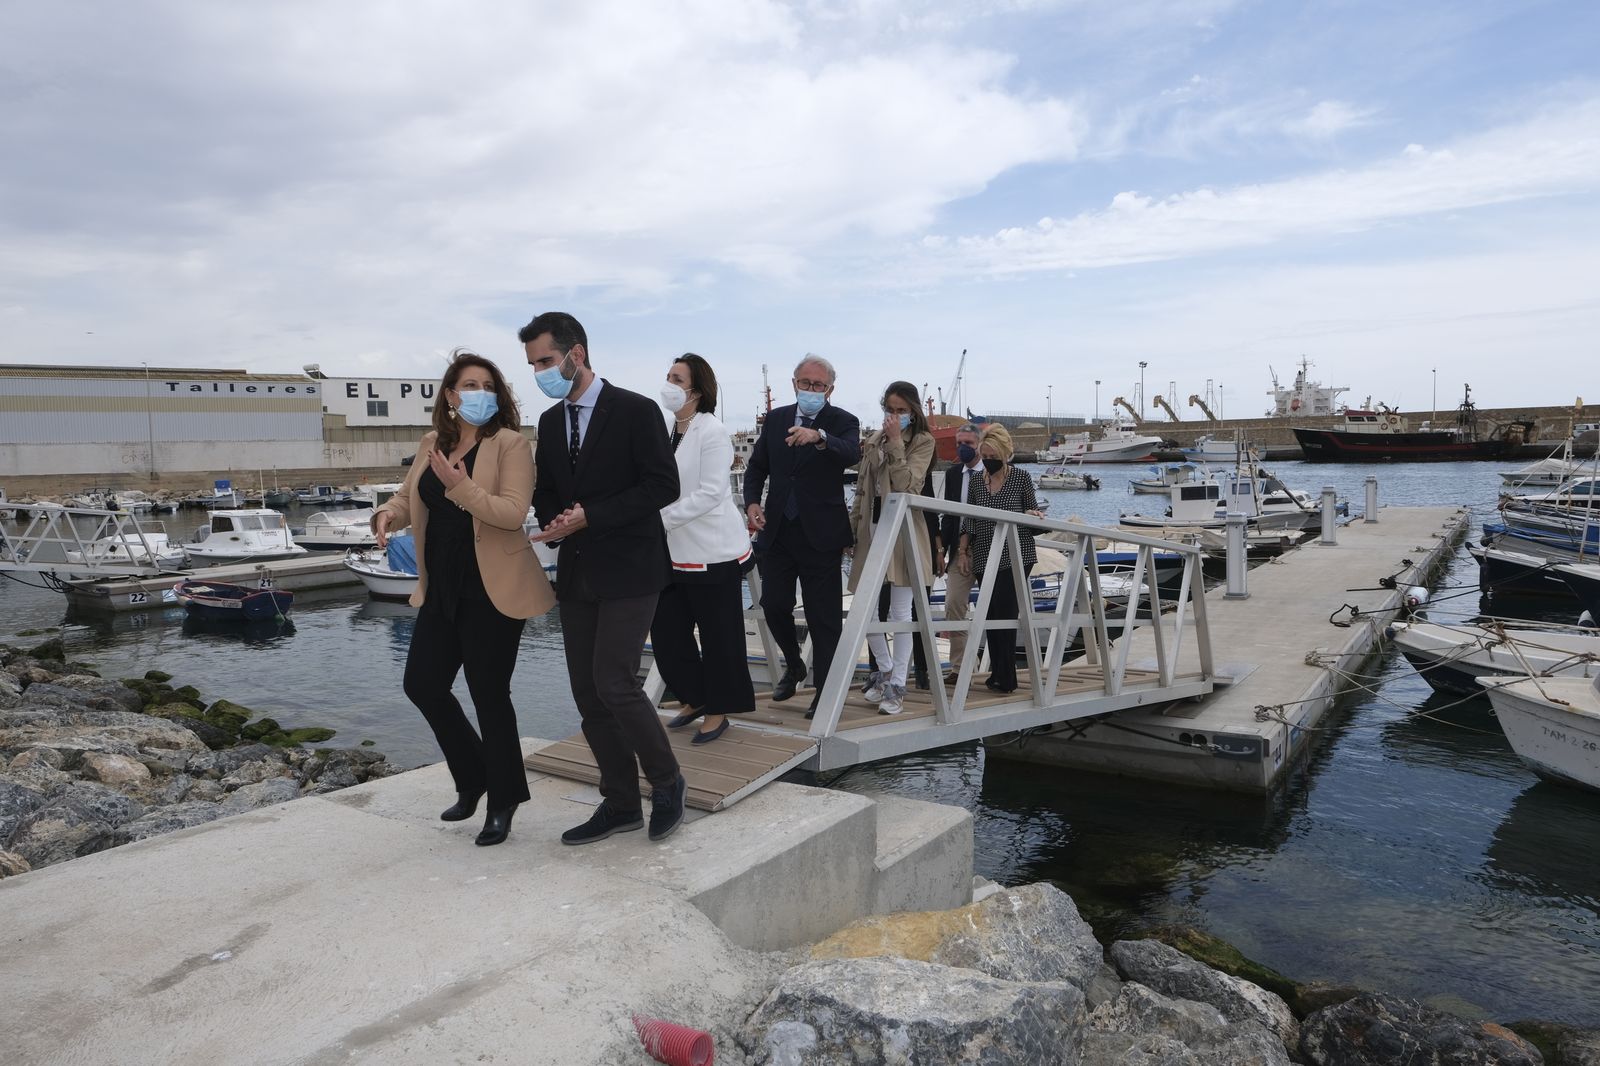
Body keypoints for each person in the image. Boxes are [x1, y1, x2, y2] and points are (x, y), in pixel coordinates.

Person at [373, 351, 553, 847]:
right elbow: (411, 497)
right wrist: (388, 514)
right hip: (443, 587)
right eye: (468, 385)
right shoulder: (432, 441)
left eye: (487, 385)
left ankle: (503, 801)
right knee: (423, 685)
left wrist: (461, 486)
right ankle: (475, 776)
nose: (479, 393)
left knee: (489, 695)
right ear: (451, 396)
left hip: (493, 589)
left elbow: (512, 513)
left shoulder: (512, 444)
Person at [523, 312, 687, 845]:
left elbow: (663, 485)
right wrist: (554, 521)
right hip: (576, 569)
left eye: (546, 360)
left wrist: (592, 514)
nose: (540, 372)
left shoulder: (636, 411)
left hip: (632, 566)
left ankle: (667, 783)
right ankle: (619, 802)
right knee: (587, 693)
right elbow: (546, 489)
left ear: (578, 352)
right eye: (533, 365)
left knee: (615, 682)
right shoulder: (549, 423)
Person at [742, 355, 861, 718]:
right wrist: (751, 503)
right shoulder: (776, 420)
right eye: (805, 383)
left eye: (818, 386)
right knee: (773, 604)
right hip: (777, 530)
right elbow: (758, 466)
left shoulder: (843, 421)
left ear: (830, 390)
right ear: (794, 384)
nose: (811, 390)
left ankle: (824, 694)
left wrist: (820, 437)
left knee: (823, 617)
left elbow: (851, 452)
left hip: (821, 535)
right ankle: (794, 665)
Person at [652, 353, 757, 744]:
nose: (669, 384)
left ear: (696, 390)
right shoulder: (667, 428)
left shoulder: (712, 432)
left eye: (677, 379)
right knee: (667, 633)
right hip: (672, 552)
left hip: (712, 552)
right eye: (668, 376)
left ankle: (719, 709)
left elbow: (712, 493)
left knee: (719, 637)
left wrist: (656, 521)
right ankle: (694, 696)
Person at [848, 381, 935, 714]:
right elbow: (860, 490)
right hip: (871, 533)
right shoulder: (872, 441)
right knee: (864, 610)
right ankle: (885, 670)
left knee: (900, 612)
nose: (894, 416)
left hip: (903, 535)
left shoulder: (922, 442)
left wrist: (897, 444)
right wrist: (853, 529)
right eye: (890, 409)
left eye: (901, 410)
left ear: (912, 411)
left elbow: (907, 484)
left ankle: (897, 683)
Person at [955, 423, 1043, 694]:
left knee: (1005, 612)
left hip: (1016, 554)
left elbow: (1032, 509)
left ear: (1005, 455)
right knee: (990, 613)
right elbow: (969, 519)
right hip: (984, 555)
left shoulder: (1020, 478)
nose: (990, 461)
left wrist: (1034, 516)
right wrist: (963, 551)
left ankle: (1007, 678)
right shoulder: (978, 482)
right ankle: (997, 674)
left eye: (994, 457)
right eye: (986, 456)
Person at [936, 422, 983, 683]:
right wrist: (942, 550)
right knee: (953, 604)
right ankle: (960, 667)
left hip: (988, 546)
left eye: (968, 443)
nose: (963, 448)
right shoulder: (953, 474)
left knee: (997, 609)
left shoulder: (992, 471)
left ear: (979, 443)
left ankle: (998, 665)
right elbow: (949, 516)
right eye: (959, 443)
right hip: (958, 549)